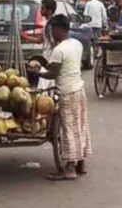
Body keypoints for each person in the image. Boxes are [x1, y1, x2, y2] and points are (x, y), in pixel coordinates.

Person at [29, 14, 91, 181]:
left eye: (52, 31)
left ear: (57, 30)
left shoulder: (59, 50)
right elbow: (65, 65)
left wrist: (38, 71)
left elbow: (53, 73)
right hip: (79, 89)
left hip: (67, 92)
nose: (51, 35)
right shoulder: (76, 44)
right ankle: (80, 163)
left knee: (68, 129)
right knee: (80, 126)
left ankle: (70, 168)